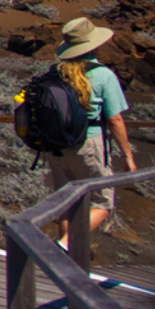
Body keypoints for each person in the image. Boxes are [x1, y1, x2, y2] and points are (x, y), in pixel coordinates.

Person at [49, 16, 136, 249]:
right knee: (103, 202)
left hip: (57, 144)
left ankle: (64, 261)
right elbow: (115, 119)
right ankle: (65, 244)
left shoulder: (56, 72)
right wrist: (127, 154)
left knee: (67, 202)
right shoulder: (103, 75)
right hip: (89, 143)